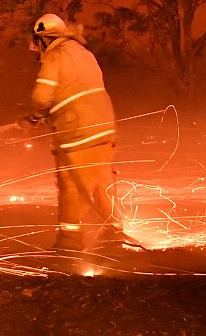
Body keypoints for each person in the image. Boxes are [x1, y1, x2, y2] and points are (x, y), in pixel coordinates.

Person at [19, 13, 134, 252]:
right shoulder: (85, 53)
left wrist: (34, 117)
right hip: (103, 129)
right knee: (101, 184)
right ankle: (114, 237)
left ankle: (69, 245)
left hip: (77, 131)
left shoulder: (54, 56)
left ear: (43, 39)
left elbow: (42, 95)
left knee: (71, 186)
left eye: (37, 43)